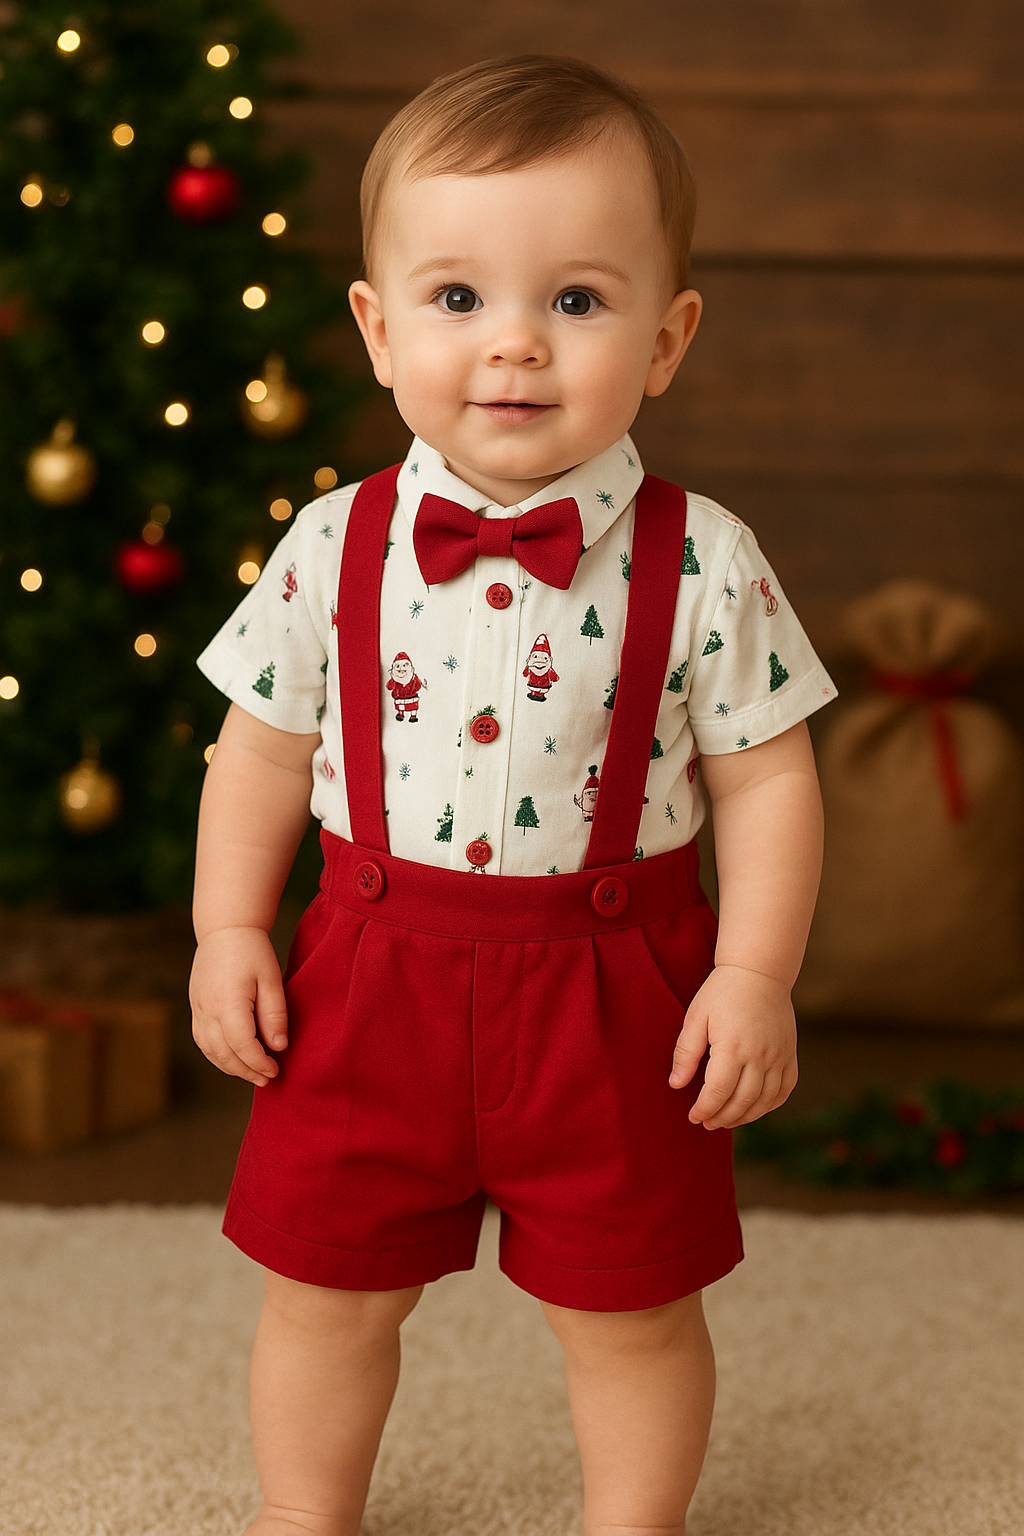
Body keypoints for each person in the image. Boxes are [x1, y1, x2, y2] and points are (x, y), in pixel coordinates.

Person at [190, 54, 836, 1536]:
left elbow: (769, 779)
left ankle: (632, 1523)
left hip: (615, 996)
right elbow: (261, 752)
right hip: (367, 984)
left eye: (579, 300)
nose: (516, 346)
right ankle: (303, 1513)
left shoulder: (704, 558)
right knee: (323, 1294)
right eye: (459, 298)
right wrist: (229, 930)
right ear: (378, 330)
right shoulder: (331, 544)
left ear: (667, 339)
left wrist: (755, 976)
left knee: (633, 1312)